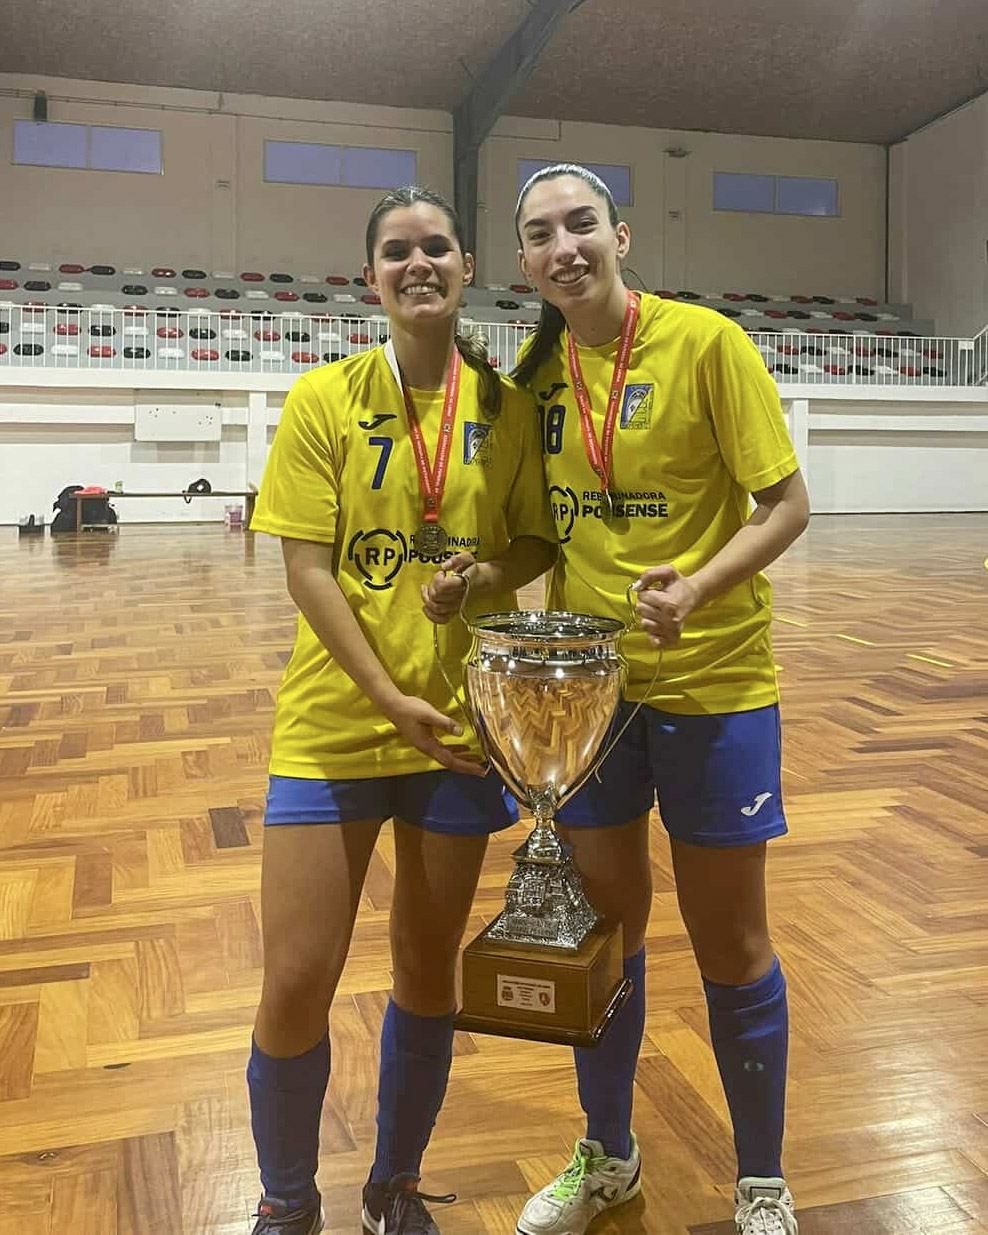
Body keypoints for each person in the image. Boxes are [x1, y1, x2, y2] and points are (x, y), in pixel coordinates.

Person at [246, 185, 557, 1235]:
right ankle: (287, 1201)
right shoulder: (324, 399)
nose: (417, 263)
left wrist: (483, 576)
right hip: (335, 724)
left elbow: (535, 545)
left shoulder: (507, 413)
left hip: (458, 734)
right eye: (396, 251)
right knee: (295, 976)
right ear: (369, 278)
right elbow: (304, 567)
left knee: (427, 968)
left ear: (468, 267)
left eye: (435, 248)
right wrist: (384, 692)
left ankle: (393, 1184)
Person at [510, 163, 810, 1235]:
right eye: (541, 234)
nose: (565, 247)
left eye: (581, 224)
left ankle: (761, 1177)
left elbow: (785, 504)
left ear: (621, 235)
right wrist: (501, 607)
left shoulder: (706, 343)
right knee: (608, 936)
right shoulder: (536, 378)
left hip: (715, 681)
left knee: (730, 940)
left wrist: (698, 585)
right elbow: (544, 535)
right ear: (524, 261)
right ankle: (610, 1156)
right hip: (594, 698)